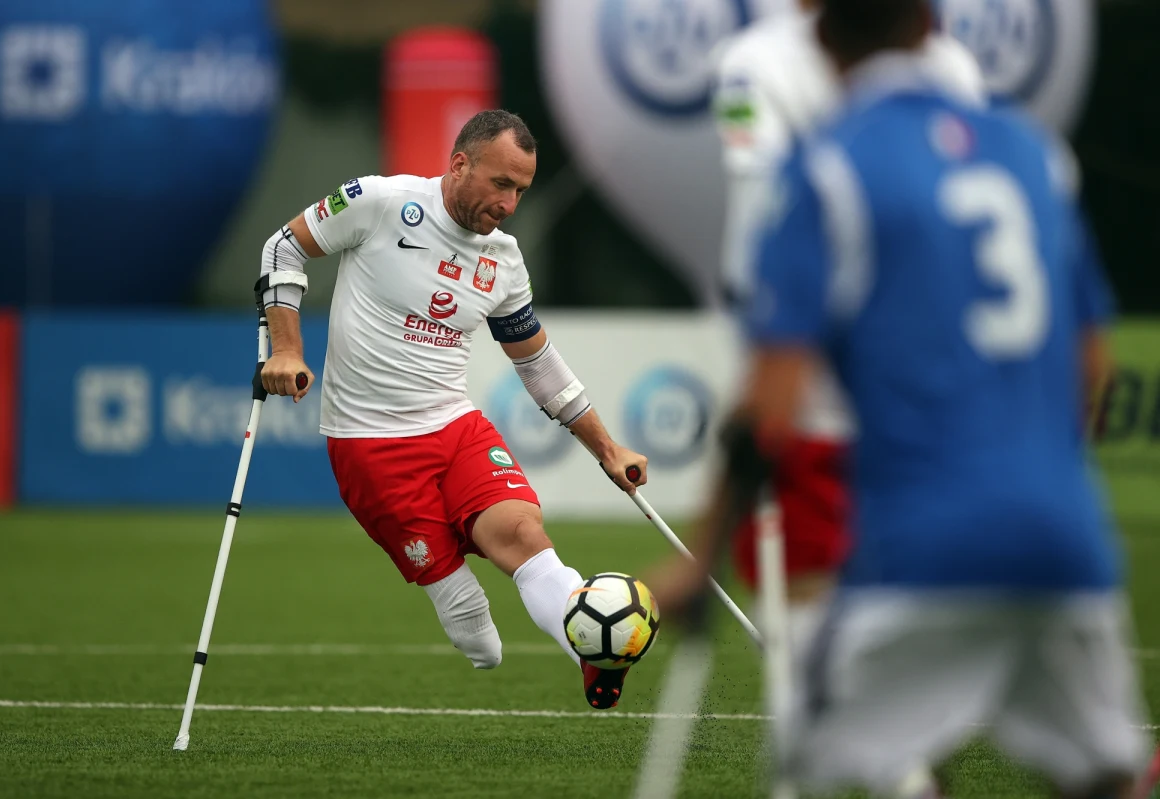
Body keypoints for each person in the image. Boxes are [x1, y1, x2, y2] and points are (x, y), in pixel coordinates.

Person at [654, 0, 1149, 795]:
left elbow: (769, 406)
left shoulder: (825, 168)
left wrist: (700, 557)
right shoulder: (1034, 152)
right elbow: (1093, 363)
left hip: (921, 545)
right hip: (1064, 538)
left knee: (809, 764)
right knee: (1106, 772)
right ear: (931, 26)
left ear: (820, 37)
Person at [255, 109, 648, 710]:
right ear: (460, 164)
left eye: (521, 191)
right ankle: (478, 613)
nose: (509, 204)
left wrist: (607, 448)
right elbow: (282, 248)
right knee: (479, 638)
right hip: (370, 445)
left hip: (455, 427)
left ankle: (591, 655)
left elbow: (537, 364)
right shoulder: (379, 202)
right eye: (501, 183)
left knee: (522, 533)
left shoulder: (505, 261)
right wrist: (286, 350)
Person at [709, 0, 986, 663]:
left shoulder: (753, 58)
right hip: (934, 334)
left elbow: (764, 192)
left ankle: (840, 694)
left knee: (813, 532)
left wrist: (760, 304)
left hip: (817, 331)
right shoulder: (955, 63)